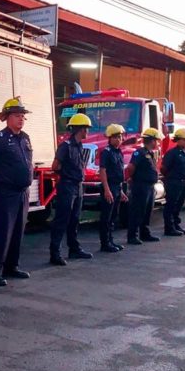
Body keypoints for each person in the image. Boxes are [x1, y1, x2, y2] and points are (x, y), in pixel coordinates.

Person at [0, 97, 35, 286]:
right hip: (6, 192)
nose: (20, 119)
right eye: (16, 116)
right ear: (7, 118)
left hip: (22, 192)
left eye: (22, 116)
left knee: (18, 231)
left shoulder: (25, 138)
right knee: (2, 233)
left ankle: (11, 267)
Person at [49, 113, 94, 266]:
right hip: (67, 186)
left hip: (78, 186)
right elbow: (55, 166)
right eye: (86, 128)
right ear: (80, 129)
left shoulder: (80, 146)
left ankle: (74, 249)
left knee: (74, 220)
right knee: (62, 220)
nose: (88, 131)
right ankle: (55, 253)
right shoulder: (65, 146)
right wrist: (66, 174)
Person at [126, 128, 163, 245]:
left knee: (147, 211)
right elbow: (131, 167)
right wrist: (131, 178)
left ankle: (145, 233)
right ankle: (132, 236)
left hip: (150, 186)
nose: (158, 143)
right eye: (157, 140)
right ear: (151, 140)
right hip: (141, 186)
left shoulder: (150, 153)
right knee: (137, 211)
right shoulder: (140, 153)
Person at [98, 124, 128, 252]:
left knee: (113, 216)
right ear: (109, 138)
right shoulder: (107, 152)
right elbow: (103, 171)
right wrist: (107, 190)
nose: (118, 139)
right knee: (106, 217)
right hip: (109, 187)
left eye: (120, 137)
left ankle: (111, 241)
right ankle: (105, 243)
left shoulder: (119, 152)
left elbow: (119, 172)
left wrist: (120, 191)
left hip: (116, 187)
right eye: (115, 137)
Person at [161, 128, 185, 236]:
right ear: (178, 140)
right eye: (184, 140)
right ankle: (169, 228)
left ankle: (176, 225)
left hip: (184, 182)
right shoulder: (172, 153)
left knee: (179, 205)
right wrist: (170, 178)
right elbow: (164, 168)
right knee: (171, 205)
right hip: (174, 182)